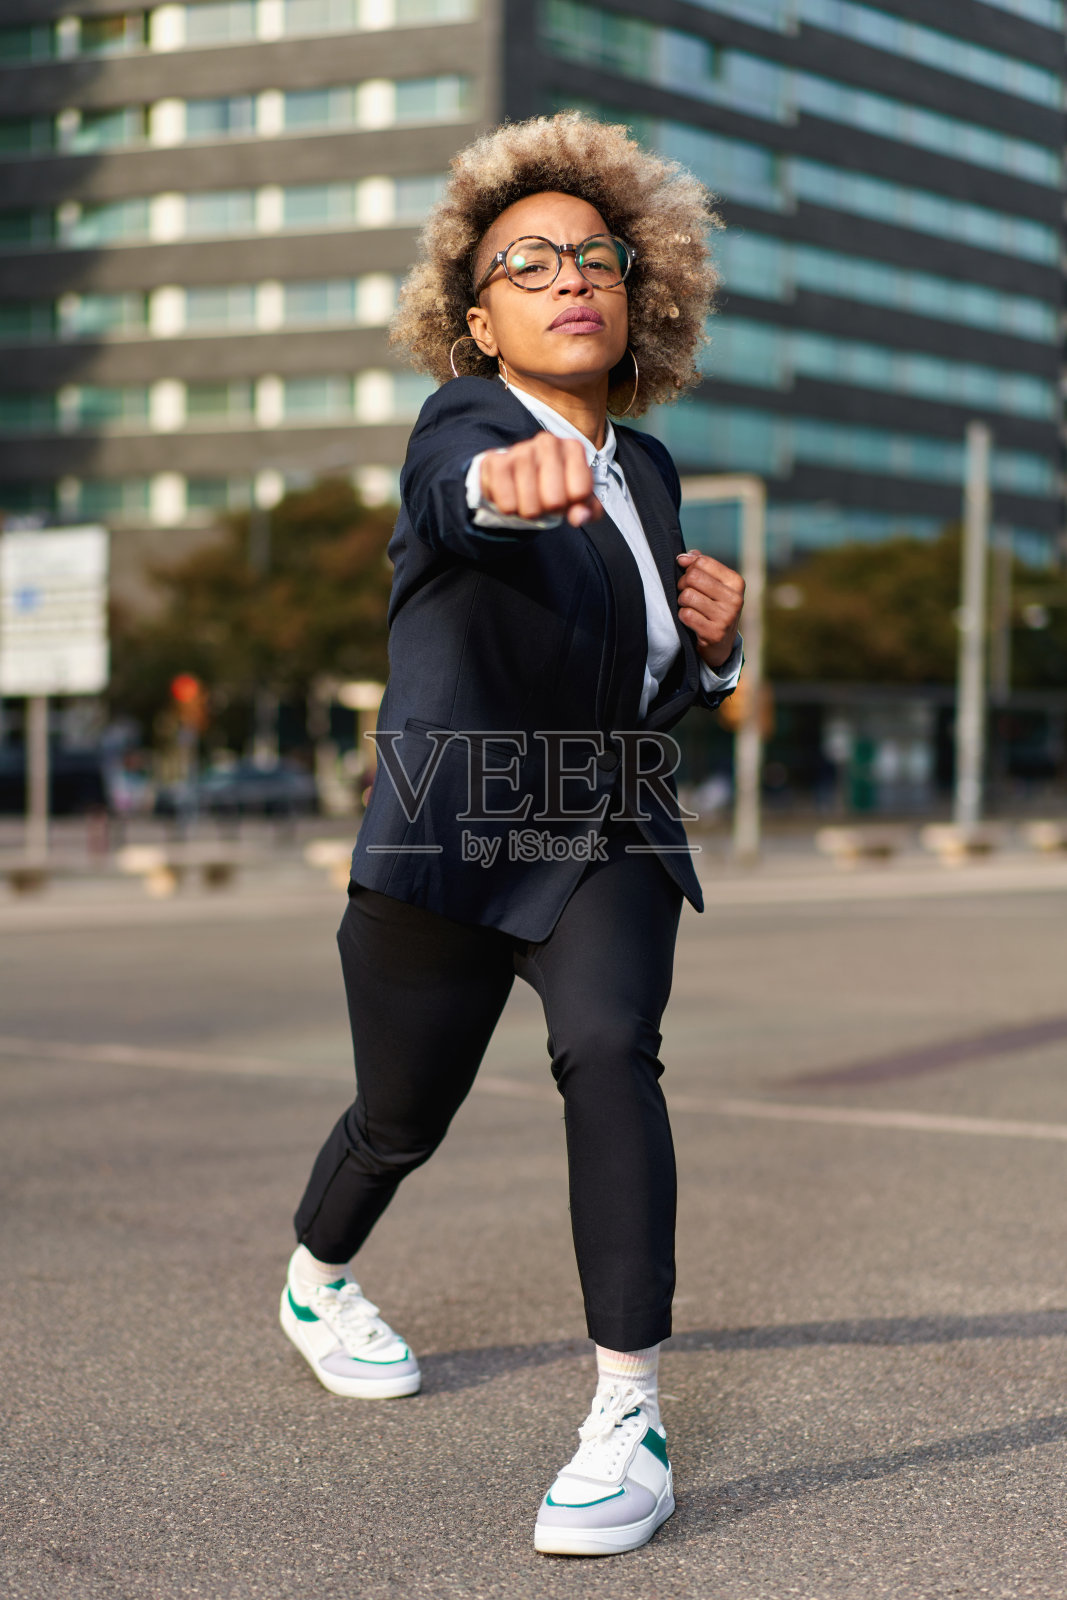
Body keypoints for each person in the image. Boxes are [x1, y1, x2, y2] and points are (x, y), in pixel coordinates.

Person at [280, 111, 744, 1557]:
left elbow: (638, 682)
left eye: (593, 258)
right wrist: (498, 488)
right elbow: (452, 499)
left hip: (606, 817)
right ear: (476, 316)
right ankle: (315, 1277)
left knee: (611, 1047)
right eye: (525, 264)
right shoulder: (469, 425)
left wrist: (716, 657)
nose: (567, 279)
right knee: (399, 1118)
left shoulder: (652, 470)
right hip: (452, 828)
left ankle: (628, 1413)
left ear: (637, 290)